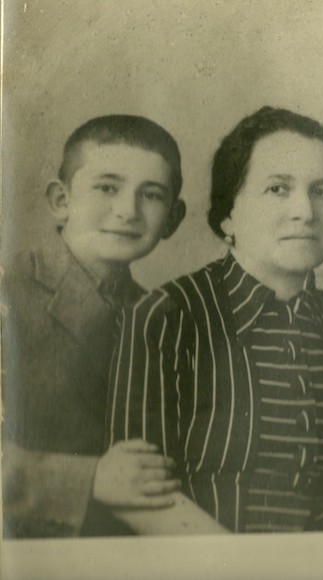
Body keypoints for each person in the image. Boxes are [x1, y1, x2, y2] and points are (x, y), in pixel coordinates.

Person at [107, 106, 323, 535]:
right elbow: (142, 499)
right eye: (278, 189)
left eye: (322, 191)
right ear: (228, 213)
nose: (305, 210)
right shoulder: (168, 316)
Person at [2, 115, 187, 537]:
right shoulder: (9, 293)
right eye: (107, 187)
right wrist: (89, 479)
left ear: (173, 219)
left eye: (152, 195)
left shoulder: (160, 316)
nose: (127, 210)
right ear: (60, 200)